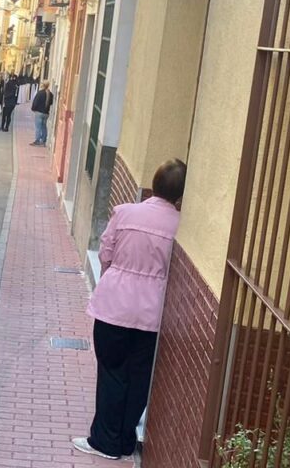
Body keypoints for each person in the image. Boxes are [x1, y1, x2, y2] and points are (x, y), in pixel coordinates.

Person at [73, 160, 187, 461]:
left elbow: (106, 253)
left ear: (155, 181)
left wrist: (116, 277)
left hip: (115, 306)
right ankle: (124, 441)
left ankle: (104, 441)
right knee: (138, 377)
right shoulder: (180, 227)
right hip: (152, 313)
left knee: (111, 373)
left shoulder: (124, 212)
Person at [31, 80, 54, 146]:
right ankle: (43, 141)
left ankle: (37, 140)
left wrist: (33, 109)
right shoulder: (50, 94)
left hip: (39, 112)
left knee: (38, 127)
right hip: (46, 113)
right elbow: (51, 103)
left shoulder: (40, 93)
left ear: (43, 85)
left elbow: (35, 102)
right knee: (44, 127)